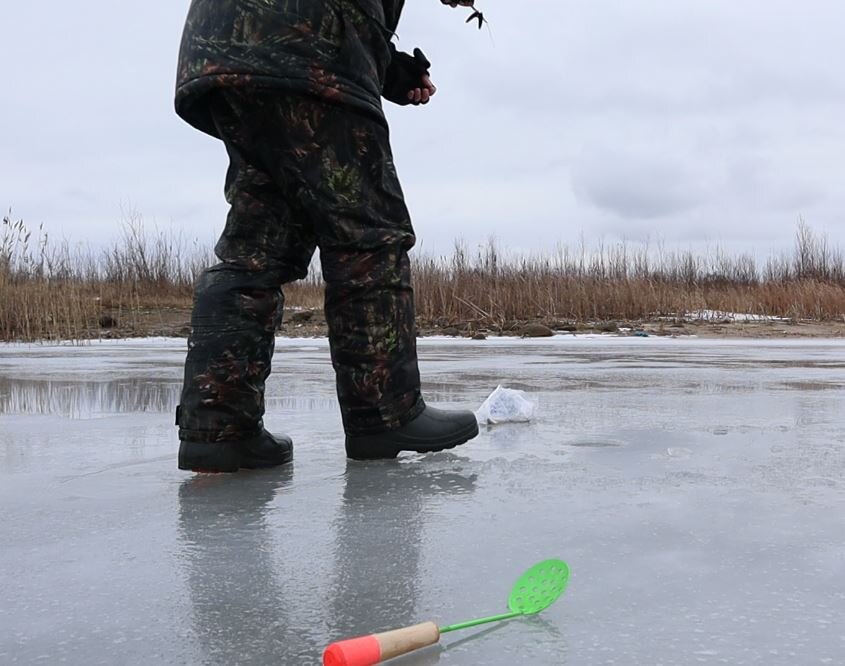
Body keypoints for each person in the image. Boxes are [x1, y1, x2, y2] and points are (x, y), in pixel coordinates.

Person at [174, 0, 480, 472]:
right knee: (369, 233)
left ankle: (219, 430)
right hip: (308, 51)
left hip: (226, 50)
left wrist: (388, 70)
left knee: (256, 247)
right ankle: (385, 415)